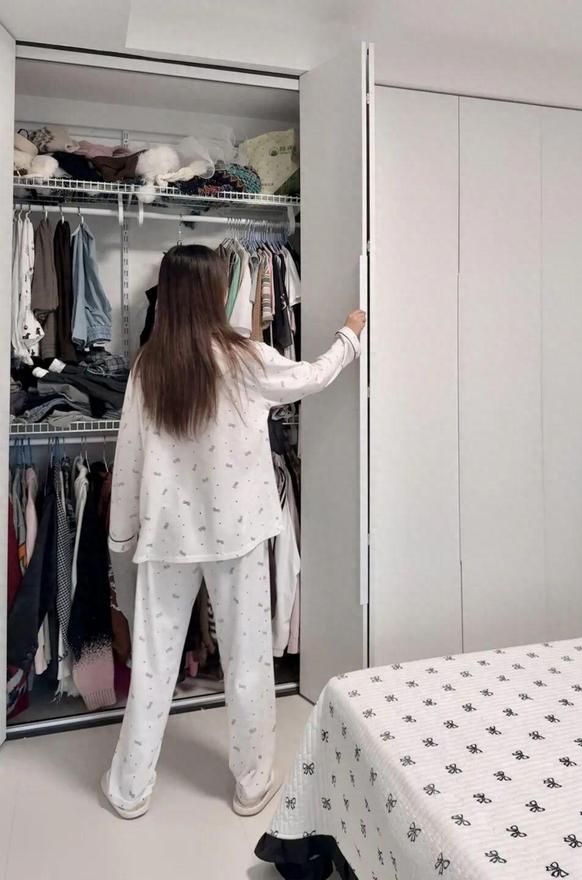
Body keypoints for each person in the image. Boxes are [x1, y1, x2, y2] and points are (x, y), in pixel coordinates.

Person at [101, 243, 366, 819]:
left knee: (153, 664)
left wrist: (120, 537)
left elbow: (129, 458)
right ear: (216, 292)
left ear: (169, 294)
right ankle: (251, 783)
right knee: (248, 662)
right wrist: (350, 335)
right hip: (235, 534)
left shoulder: (148, 366)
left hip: (167, 538)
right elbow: (313, 376)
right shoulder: (245, 359)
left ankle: (129, 788)